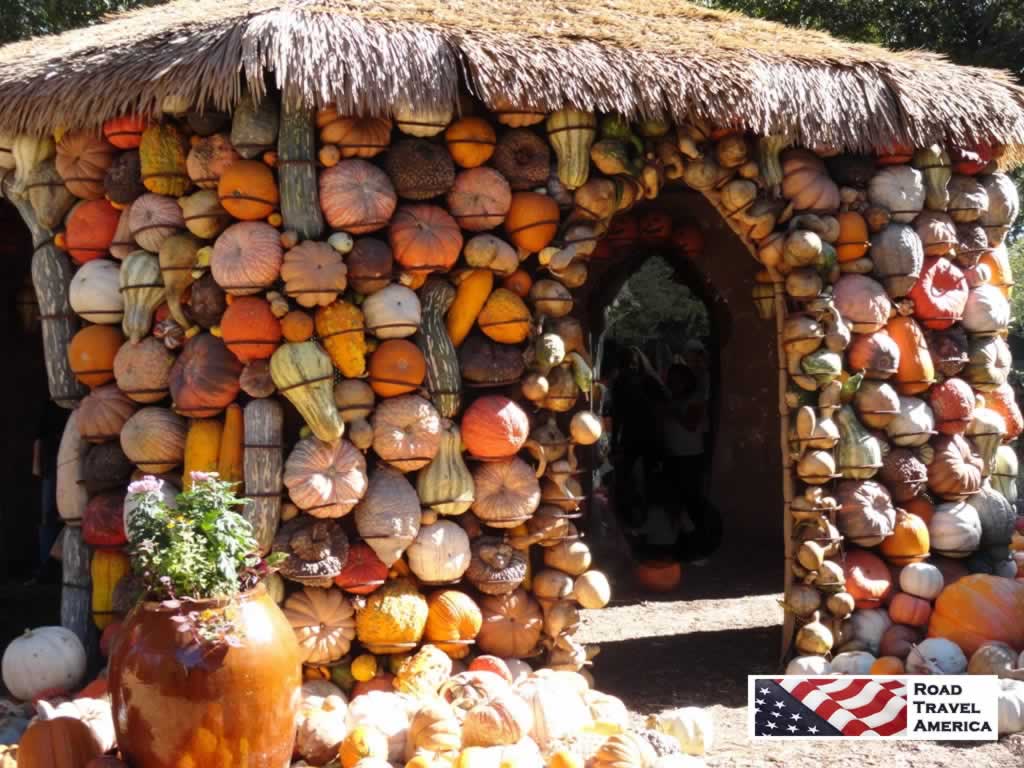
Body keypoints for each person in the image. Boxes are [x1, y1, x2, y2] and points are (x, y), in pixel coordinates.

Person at [658, 360, 722, 563]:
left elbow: (691, 424)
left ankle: (700, 547)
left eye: (679, 380)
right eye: (672, 380)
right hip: (672, 456)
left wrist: (672, 411)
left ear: (687, 381)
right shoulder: (670, 399)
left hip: (690, 458)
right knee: (676, 504)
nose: (675, 384)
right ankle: (684, 547)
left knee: (692, 503)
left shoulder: (695, 399)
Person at [609, 346, 662, 535]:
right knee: (640, 478)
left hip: (638, 435)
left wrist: (615, 441)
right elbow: (617, 414)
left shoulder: (625, 381)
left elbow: (617, 415)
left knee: (632, 478)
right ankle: (637, 519)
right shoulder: (644, 380)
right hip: (642, 435)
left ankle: (634, 519)